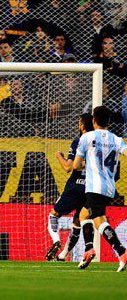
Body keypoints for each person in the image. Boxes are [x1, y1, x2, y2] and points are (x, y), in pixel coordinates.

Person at [73, 106, 127, 271]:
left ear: (94, 121)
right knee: (84, 215)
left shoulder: (87, 137)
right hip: (109, 189)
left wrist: (86, 164)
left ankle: (122, 252)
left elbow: (76, 165)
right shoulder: (117, 139)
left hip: (94, 187)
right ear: (108, 121)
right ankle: (89, 249)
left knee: (99, 222)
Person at [45, 114, 93, 261]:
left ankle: (56, 241)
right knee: (77, 223)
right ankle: (63, 254)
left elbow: (68, 167)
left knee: (53, 215)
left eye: (79, 122)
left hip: (75, 187)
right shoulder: (98, 143)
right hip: (90, 188)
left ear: (82, 126)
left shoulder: (78, 141)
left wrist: (59, 155)